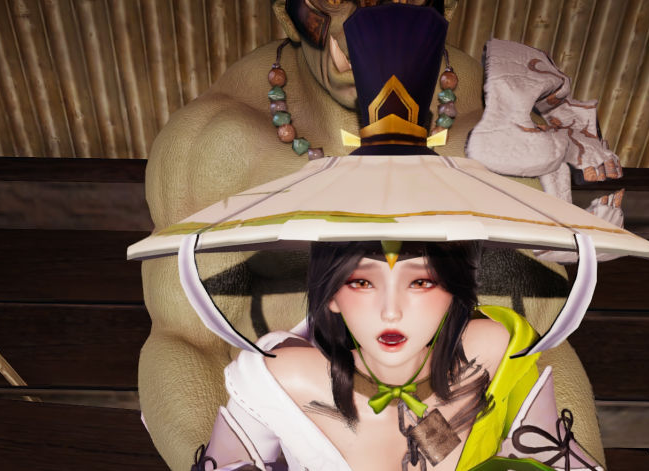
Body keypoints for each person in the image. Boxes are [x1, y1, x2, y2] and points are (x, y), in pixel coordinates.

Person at [137, 1, 619, 469]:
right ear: (287, 12)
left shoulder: (497, 340)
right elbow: (184, 341)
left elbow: (546, 363)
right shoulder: (216, 143)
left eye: (422, 281)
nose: (391, 310)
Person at [196, 241, 605, 470]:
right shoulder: (283, 375)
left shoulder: (492, 351)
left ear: (454, 292)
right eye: (362, 282)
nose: (391, 312)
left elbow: (553, 459)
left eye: (421, 282)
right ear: (331, 294)